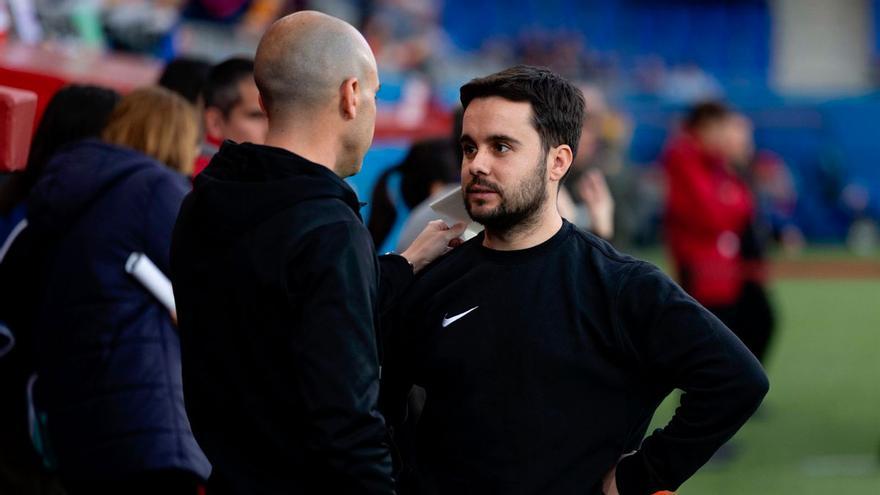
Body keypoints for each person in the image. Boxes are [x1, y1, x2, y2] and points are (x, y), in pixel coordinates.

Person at [382, 66, 769, 495]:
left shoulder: (620, 286)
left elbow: (736, 380)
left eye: (501, 147)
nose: (477, 164)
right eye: (469, 147)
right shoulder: (434, 280)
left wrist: (643, 474)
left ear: (558, 161)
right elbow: (383, 410)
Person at [169, 11, 463, 495]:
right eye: (373, 93)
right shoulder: (327, 231)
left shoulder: (208, 199)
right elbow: (346, 425)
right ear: (350, 95)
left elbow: (279, 306)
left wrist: (404, 263)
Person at [0, 86, 209, 494]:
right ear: (175, 138)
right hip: (143, 413)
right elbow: (212, 288)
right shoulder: (154, 188)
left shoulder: (67, 190)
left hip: (73, 411)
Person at [194, 57, 268, 176]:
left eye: (275, 115)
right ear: (215, 123)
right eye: (256, 116)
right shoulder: (196, 183)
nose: (272, 127)